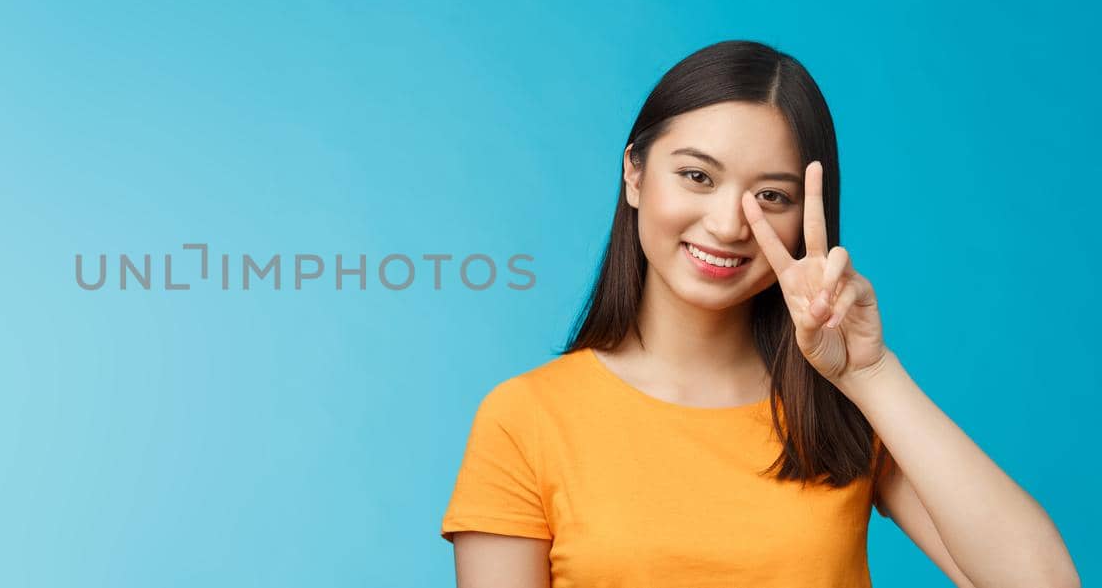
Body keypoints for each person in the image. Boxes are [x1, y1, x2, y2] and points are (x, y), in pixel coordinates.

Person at [439, 40, 1079, 588]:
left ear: (805, 215)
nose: (725, 224)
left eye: (770, 195)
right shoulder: (526, 420)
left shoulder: (839, 409)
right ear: (634, 174)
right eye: (696, 176)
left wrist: (872, 375)